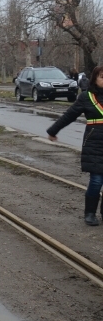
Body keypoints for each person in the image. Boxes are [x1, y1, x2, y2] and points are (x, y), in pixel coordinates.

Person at [47, 65, 103, 226]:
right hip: (94, 144)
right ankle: (90, 213)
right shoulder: (87, 97)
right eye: (102, 77)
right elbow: (69, 115)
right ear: (95, 79)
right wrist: (53, 130)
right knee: (96, 181)